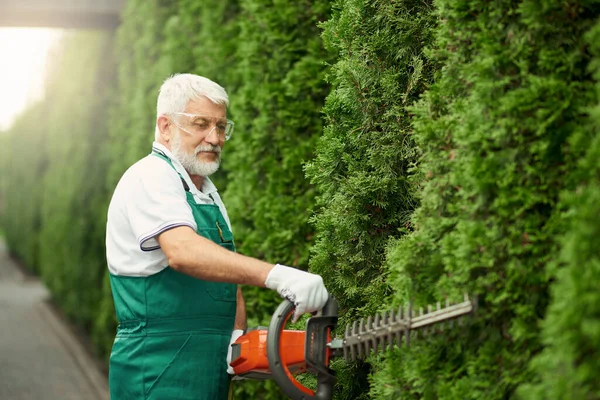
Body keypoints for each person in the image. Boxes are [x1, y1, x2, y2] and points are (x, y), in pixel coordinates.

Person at [105, 73, 329, 400]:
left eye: (221, 127)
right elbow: (182, 251)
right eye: (200, 124)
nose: (215, 138)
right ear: (165, 126)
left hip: (209, 372)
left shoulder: (205, 192)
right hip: (156, 370)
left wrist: (237, 339)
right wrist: (276, 275)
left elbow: (226, 275)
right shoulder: (150, 176)